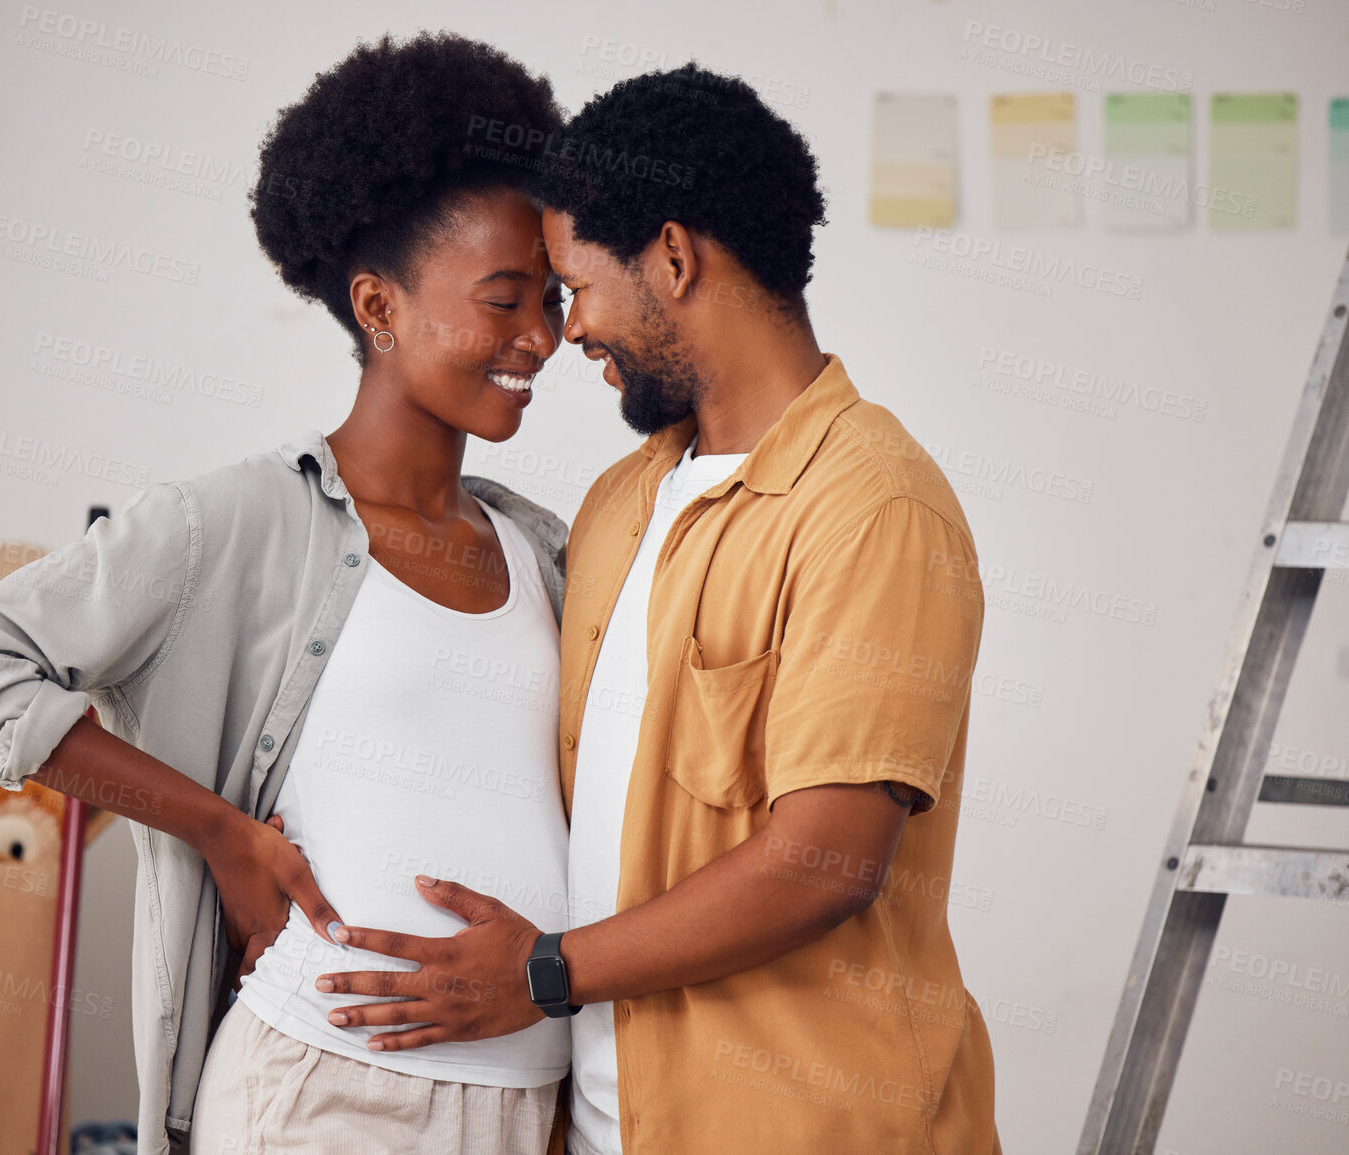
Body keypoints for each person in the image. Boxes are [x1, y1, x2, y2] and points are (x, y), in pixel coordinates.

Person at [0, 32, 577, 1155]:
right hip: (323, 1095)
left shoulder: (544, 551)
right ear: (378, 305)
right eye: (505, 302)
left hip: (524, 1100)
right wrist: (219, 831)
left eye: (550, 299)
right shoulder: (237, 522)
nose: (541, 338)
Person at [314, 63, 1002, 1153]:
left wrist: (544, 973)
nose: (567, 329)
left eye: (578, 285)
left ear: (673, 258)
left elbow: (826, 859)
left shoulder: (874, 506)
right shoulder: (619, 504)